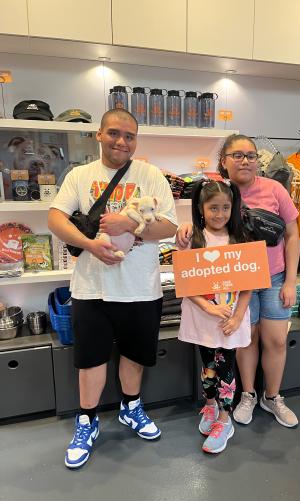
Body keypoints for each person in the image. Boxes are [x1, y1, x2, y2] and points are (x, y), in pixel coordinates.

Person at [48, 109, 177, 469]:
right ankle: (86, 420)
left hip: (140, 288)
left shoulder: (151, 175)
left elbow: (168, 225)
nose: (122, 141)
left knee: (135, 356)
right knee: (90, 360)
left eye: (130, 136)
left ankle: (131, 408)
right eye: (115, 133)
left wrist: (130, 224)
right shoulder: (80, 175)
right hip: (92, 289)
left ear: (137, 140)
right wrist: (89, 245)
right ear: (99, 135)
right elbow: (55, 217)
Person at [176, 134, 300, 429]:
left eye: (252, 155)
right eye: (238, 155)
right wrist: (185, 226)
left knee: (276, 339)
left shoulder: (274, 189)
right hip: (230, 286)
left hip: (272, 277)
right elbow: (199, 225)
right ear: (224, 161)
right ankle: (247, 395)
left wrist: (291, 281)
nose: (246, 160)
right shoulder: (216, 191)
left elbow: (293, 234)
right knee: (245, 340)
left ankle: (273, 397)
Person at [177, 178, 252, 453]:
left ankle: (225, 418)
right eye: (213, 208)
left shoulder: (239, 240)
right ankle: (210, 406)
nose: (219, 214)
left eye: (225, 208)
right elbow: (185, 282)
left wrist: (236, 317)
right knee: (208, 366)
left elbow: (248, 286)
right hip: (203, 318)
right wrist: (208, 307)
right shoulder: (192, 239)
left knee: (226, 369)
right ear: (200, 208)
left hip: (229, 321)